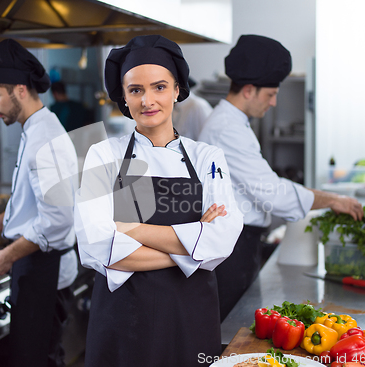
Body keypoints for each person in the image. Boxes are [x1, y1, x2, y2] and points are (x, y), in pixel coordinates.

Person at [74, 35, 243, 367]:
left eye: (159, 87)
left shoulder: (207, 156)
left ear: (177, 90)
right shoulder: (102, 154)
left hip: (189, 319)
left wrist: (128, 229)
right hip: (124, 320)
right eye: (136, 90)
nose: (147, 100)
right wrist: (193, 249)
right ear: (124, 97)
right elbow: (96, 246)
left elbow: (223, 238)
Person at [198, 34, 365, 321]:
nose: (274, 102)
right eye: (271, 94)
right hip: (231, 254)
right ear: (249, 90)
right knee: (228, 336)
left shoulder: (233, 124)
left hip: (241, 246)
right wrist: (332, 200)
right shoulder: (227, 129)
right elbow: (272, 193)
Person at [0, 39, 79, 367]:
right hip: (37, 270)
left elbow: (57, 220)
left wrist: (7, 254)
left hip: (44, 273)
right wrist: (3, 219)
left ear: (20, 89)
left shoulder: (44, 139)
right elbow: (42, 200)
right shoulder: (35, 129)